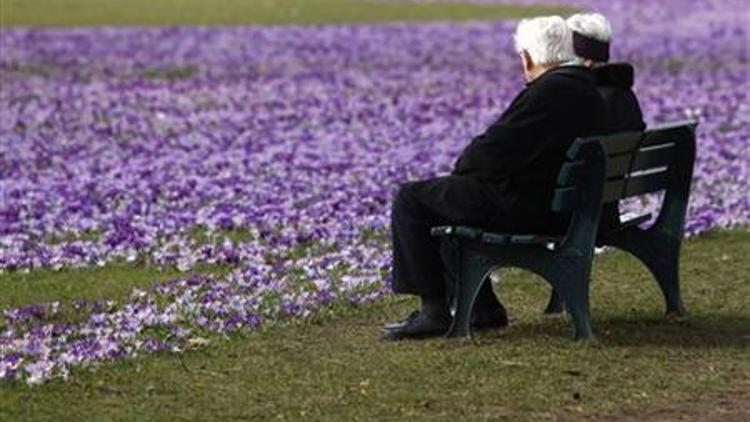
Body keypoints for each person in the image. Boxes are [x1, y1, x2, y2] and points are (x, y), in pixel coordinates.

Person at [383, 16, 607, 340]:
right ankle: (482, 309)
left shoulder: (548, 92)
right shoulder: (585, 89)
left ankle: (433, 311)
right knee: (448, 199)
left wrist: (464, 165)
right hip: (564, 205)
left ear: (528, 57)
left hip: (536, 210)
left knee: (412, 199)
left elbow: (493, 153)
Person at [544, 13, 648, 314]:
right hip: (608, 206)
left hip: (575, 212)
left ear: (580, 57)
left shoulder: (578, 98)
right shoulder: (624, 94)